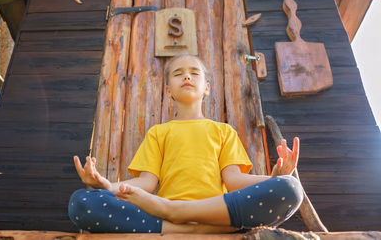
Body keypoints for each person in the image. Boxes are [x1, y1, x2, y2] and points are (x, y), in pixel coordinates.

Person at [68, 54, 303, 234]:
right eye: (179, 73)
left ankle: (180, 216)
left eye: (194, 73)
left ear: (207, 87)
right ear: (169, 91)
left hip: (212, 211)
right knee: (82, 202)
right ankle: (191, 224)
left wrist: (274, 179)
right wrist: (106, 185)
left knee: (289, 188)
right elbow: (146, 184)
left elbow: (233, 181)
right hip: (168, 214)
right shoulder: (159, 132)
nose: (187, 76)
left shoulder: (223, 131)